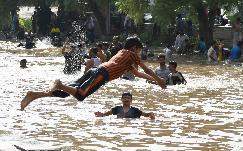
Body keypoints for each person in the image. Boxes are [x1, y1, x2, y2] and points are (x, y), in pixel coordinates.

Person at [20, 36, 166, 110]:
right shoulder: (131, 54)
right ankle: (60, 84)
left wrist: (154, 80)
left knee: (66, 93)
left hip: (96, 71)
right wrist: (159, 80)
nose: (139, 53)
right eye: (139, 50)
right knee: (81, 95)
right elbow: (146, 69)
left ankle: (34, 95)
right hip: (102, 74)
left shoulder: (122, 56)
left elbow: (139, 74)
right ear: (135, 48)